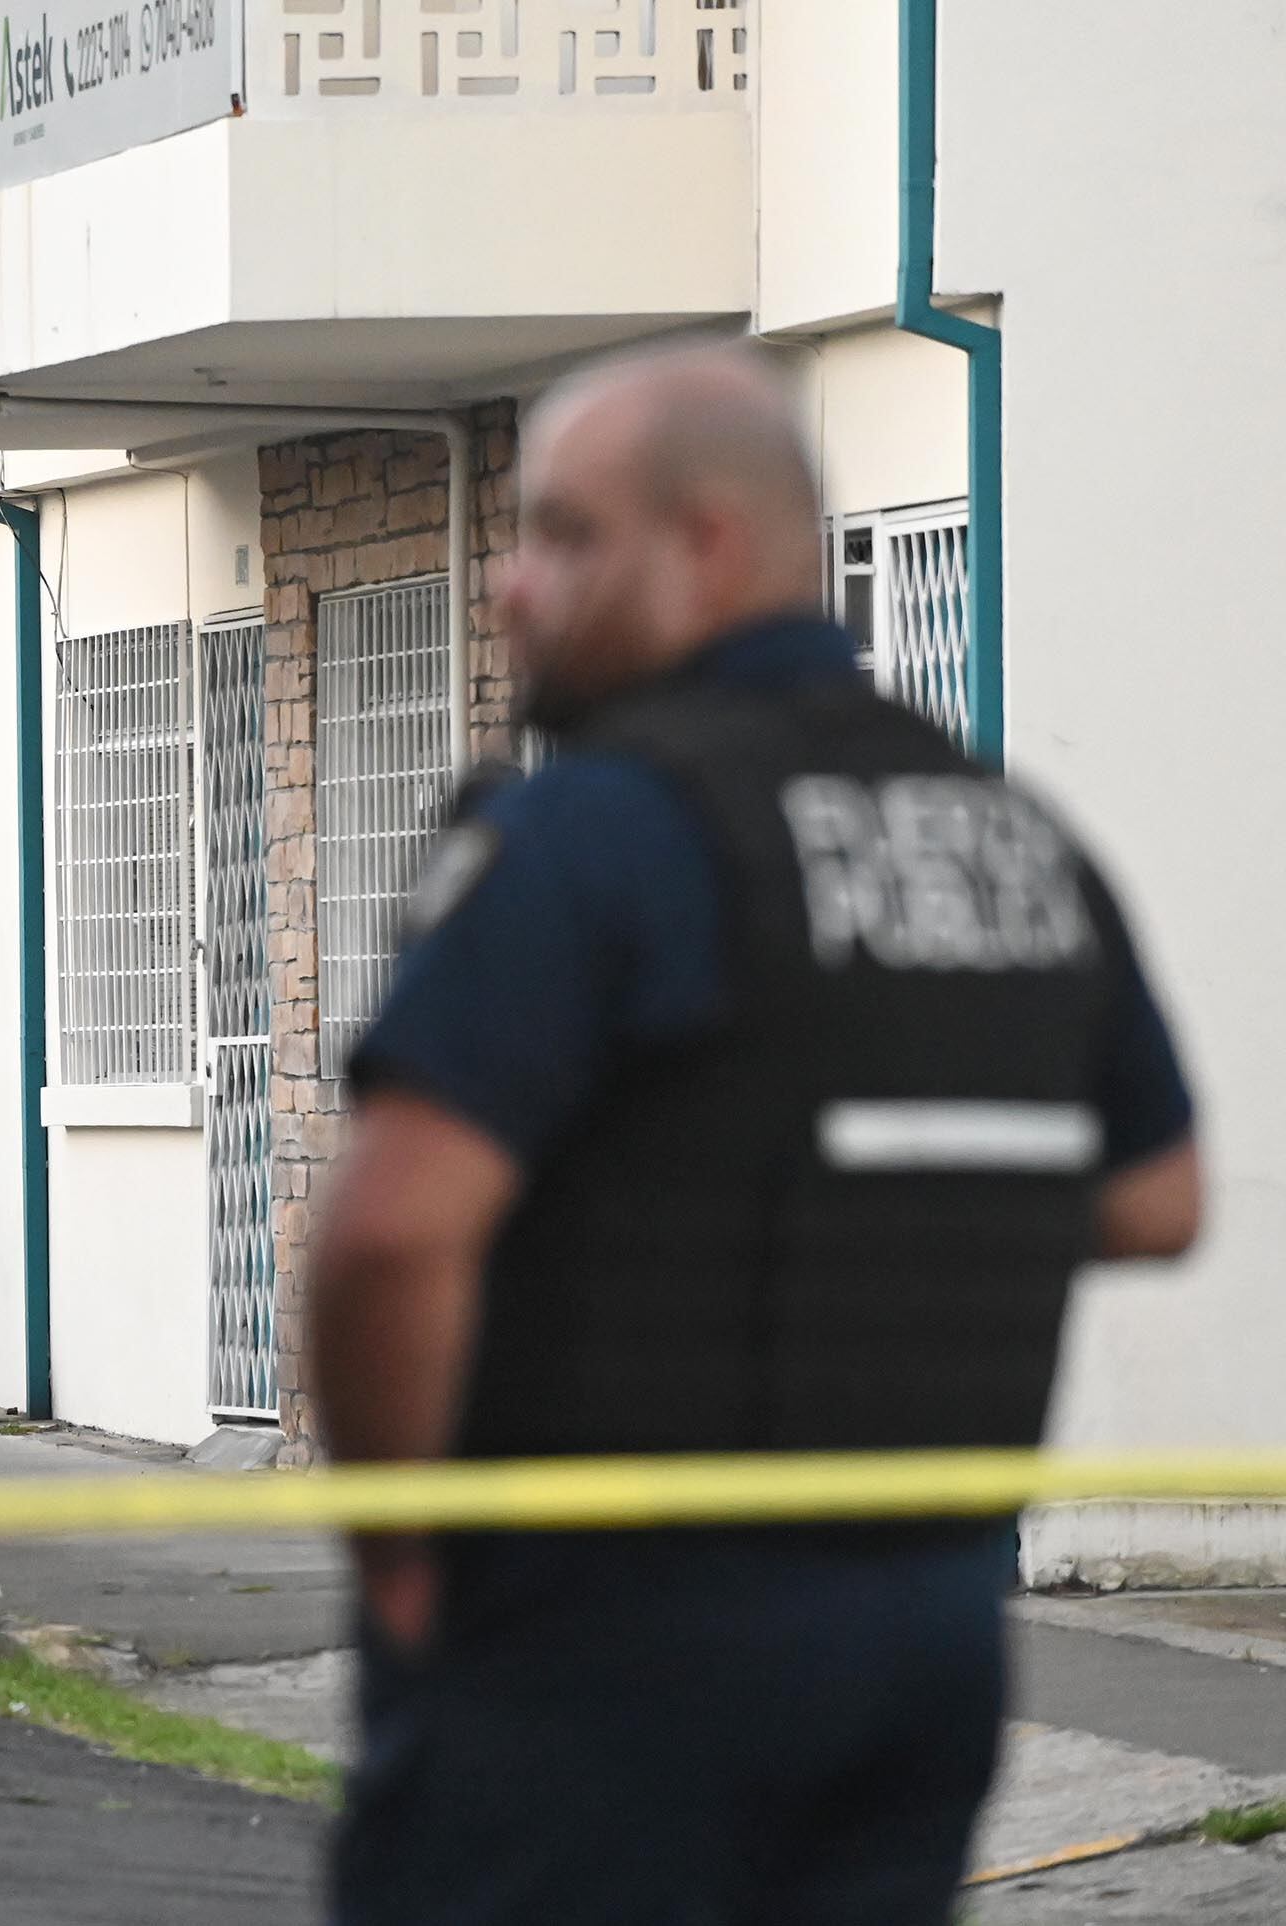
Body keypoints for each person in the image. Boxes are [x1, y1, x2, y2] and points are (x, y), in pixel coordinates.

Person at [308, 342, 1204, 1924]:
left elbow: (389, 1235)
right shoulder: (1011, 839)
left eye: (565, 533)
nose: (512, 586)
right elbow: (1157, 1201)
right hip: (925, 1633)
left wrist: (401, 1546)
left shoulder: (600, 832)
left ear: (708, 542)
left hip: (608, 1630)